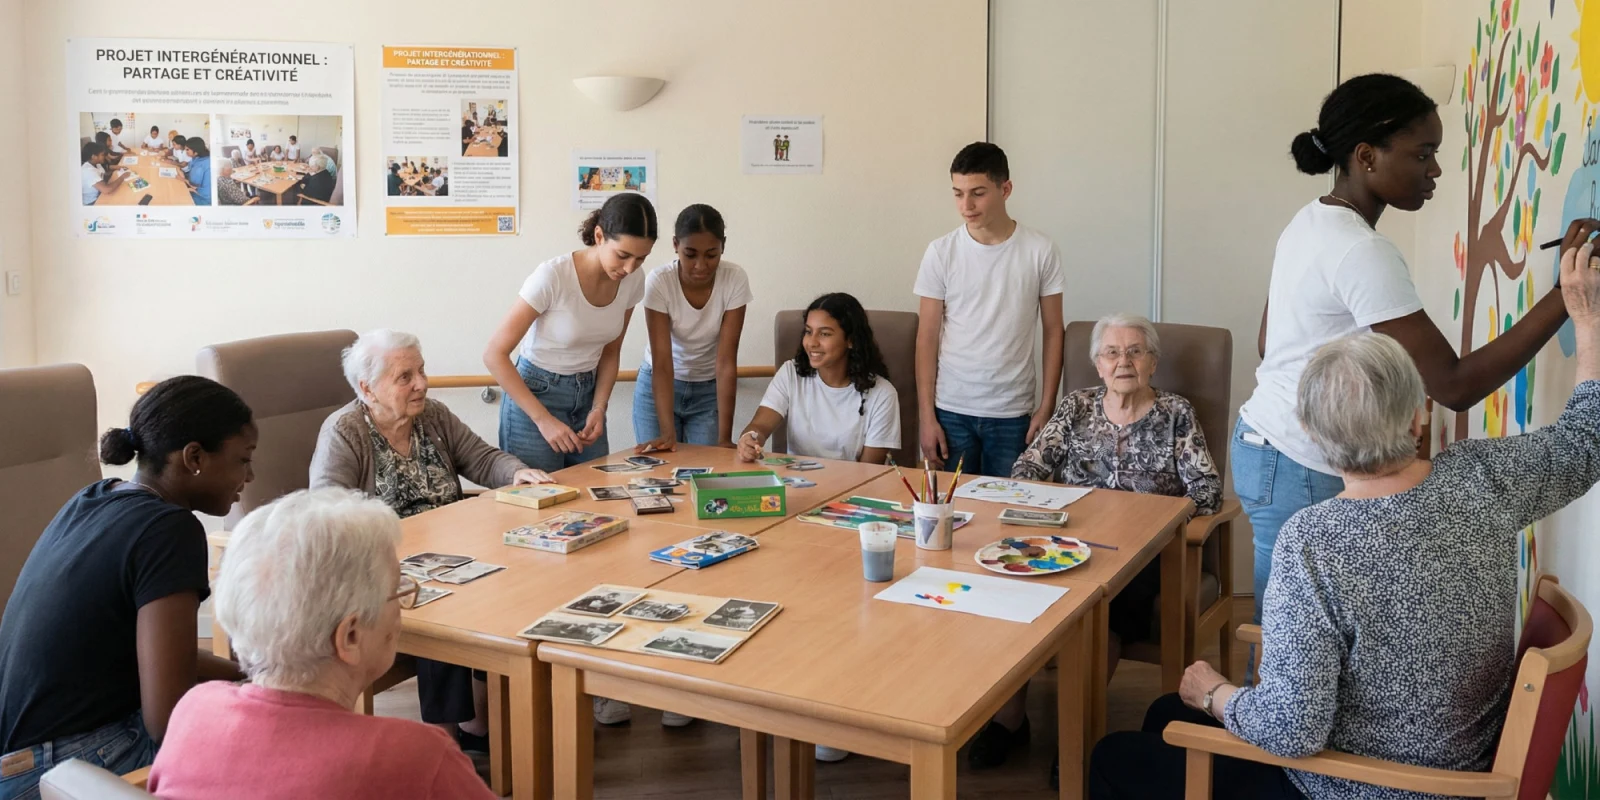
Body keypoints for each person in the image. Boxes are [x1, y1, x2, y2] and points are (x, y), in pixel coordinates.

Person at [1090, 239, 1600, 799]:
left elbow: (1292, 730)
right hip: (1460, 767)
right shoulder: (1480, 477)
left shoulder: (1314, 541)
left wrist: (1213, 692)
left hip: (1361, 784)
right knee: (1165, 710)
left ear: (1311, 434)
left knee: (1117, 754)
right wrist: (1587, 317)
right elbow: (1585, 442)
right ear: (1418, 414)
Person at [1236, 72, 1600, 631]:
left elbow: (1270, 344)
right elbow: (1454, 386)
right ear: (1367, 156)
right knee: (1293, 644)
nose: (1435, 170)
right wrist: (1564, 293)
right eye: (1423, 153)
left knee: (1291, 632)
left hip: (1266, 445)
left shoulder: (1310, 220)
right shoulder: (1361, 251)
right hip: (1301, 461)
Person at [144, 489, 496, 800]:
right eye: (398, 591)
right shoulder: (414, 756)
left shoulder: (194, 711)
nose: (403, 606)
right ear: (351, 637)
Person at [0, 376, 252, 798]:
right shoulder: (170, 531)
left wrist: (248, 675)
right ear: (194, 457)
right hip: (55, 769)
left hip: (15, 757)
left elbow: (165, 657)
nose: (250, 475)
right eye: (244, 459)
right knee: (272, 742)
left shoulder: (94, 497)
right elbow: (166, 718)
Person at [998, 313, 1223, 783]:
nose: (1124, 361)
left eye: (1136, 351)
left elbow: (1206, 490)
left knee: (1103, 617)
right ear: (1097, 365)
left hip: (1145, 554)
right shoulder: (1076, 406)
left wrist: (1146, 517)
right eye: (1112, 352)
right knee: (1012, 593)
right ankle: (1009, 721)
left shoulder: (1176, 413)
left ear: (1153, 362)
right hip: (1069, 540)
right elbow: (1028, 469)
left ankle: (1075, 740)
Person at [309, 329, 549, 753]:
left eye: (421, 370)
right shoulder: (345, 432)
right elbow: (328, 513)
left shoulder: (433, 416)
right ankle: (445, 739)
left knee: (517, 583)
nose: (421, 383)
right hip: (381, 569)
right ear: (368, 388)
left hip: (455, 554)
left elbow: (482, 458)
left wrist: (516, 473)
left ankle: (486, 719)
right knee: (443, 608)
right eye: (405, 376)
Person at [916, 141, 1064, 479]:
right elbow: (926, 337)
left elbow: (1055, 330)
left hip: (1013, 411)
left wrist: (1047, 405)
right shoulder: (941, 252)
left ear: (1005, 189)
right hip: (951, 408)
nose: (966, 205)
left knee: (1008, 511)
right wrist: (927, 417)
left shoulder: (1040, 250)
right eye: (958, 194)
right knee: (953, 513)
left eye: (978, 193)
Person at [485, 192, 656, 473]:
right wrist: (543, 420)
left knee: (595, 504)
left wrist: (599, 407)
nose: (629, 268)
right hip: (535, 396)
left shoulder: (633, 279)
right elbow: (494, 354)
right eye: (623, 255)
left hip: (587, 397)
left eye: (640, 258)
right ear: (599, 236)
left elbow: (611, 352)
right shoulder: (553, 276)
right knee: (538, 503)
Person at [633, 204, 752, 452]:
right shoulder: (659, 281)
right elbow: (663, 362)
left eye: (711, 255)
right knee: (661, 470)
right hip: (660, 385)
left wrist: (724, 438)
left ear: (723, 246)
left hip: (708, 389)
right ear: (676, 245)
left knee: (707, 470)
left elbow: (726, 361)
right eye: (690, 254)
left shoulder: (734, 278)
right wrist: (667, 432)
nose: (701, 265)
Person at [738, 292, 900, 466]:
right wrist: (750, 439)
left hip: (851, 486)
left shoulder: (883, 394)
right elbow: (760, 425)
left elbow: (869, 470)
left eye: (824, 334)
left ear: (851, 340)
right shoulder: (791, 373)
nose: (812, 343)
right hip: (795, 483)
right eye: (809, 332)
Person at [182, 137, 211, 206]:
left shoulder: (200, 166)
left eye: (187, 150)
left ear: (196, 152)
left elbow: (194, 186)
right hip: (198, 190)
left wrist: (183, 179)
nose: (185, 151)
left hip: (202, 198)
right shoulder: (200, 158)